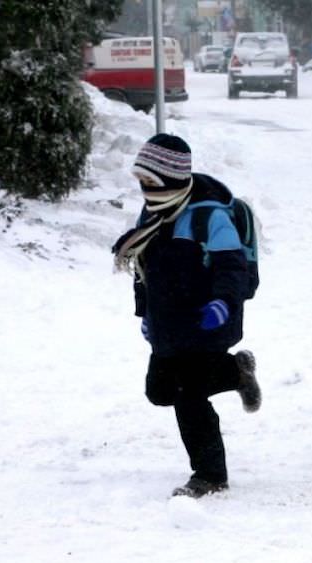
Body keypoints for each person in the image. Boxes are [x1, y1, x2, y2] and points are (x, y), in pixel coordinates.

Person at [112, 134, 262, 498]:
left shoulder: (209, 215)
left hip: (206, 318)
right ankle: (234, 372)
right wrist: (144, 312)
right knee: (159, 391)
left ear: (169, 177)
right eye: (142, 182)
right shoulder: (151, 214)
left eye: (150, 181)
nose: (145, 188)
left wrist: (224, 303)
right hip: (167, 320)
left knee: (187, 396)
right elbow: (142, 267)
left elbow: (232, 265)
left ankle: (210, 475)